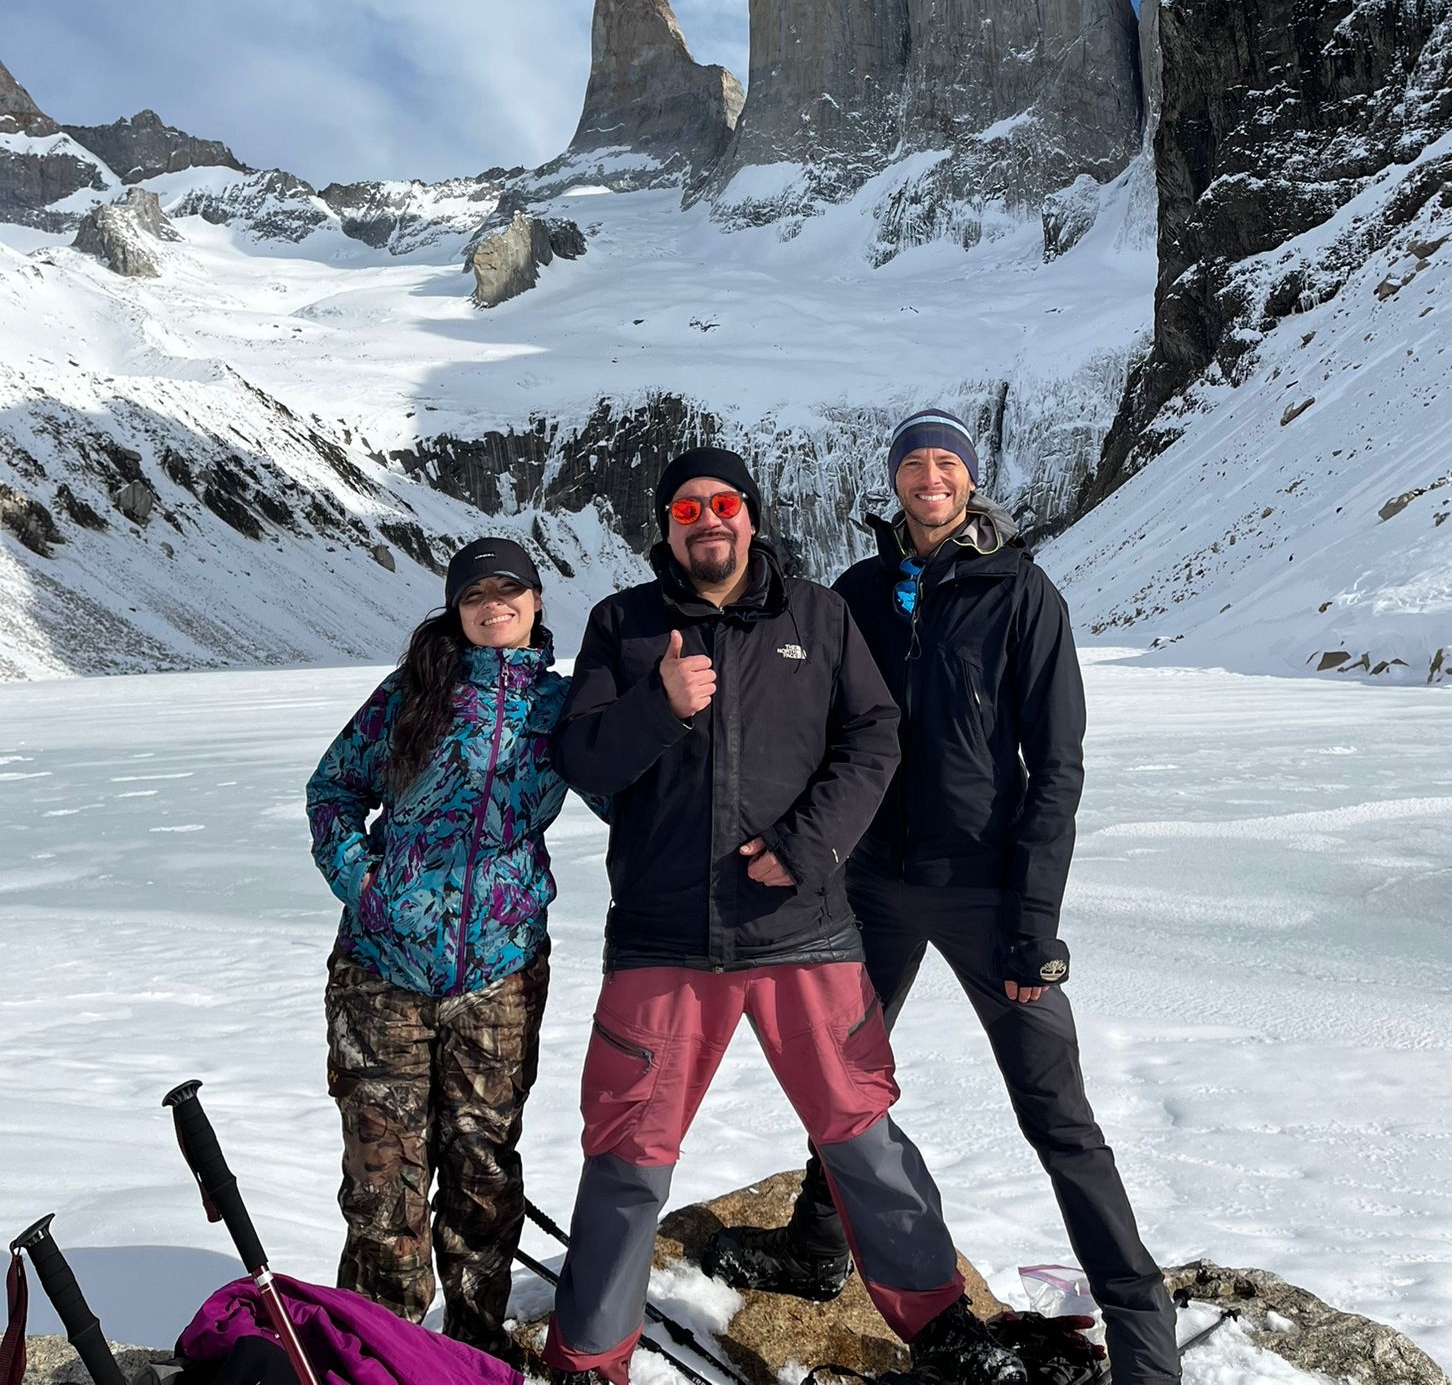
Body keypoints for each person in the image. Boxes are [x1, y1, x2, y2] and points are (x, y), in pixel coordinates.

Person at [706, 412, 1182, 1385]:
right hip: (872, 882)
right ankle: (816, 1246)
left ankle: (1142, 1331)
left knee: (1056, 1114)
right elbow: (813, 724)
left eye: (947, 462)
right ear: (896, 481)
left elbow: (1055, 765)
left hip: (986, 888)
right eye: (915, 462)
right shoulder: (861, 593)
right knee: (838, 1071)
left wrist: (1032, 921)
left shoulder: (1022, 593)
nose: (931, 475)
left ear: (969, 481)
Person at [540, 447, 1031, 1385]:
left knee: (861, 1132)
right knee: (627, 1155)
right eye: (686, 508)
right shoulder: (623, 624)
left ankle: (939, 1323)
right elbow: (585, 761)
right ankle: (589, 1357)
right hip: (661, 935)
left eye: (723, 502)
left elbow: (875, 734)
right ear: (666, 527)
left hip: (802, 927)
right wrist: (660, 704)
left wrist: (809, 846)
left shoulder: (817, 614)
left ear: (751, 515)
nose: (707, 519)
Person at [306, 536, 575, 1362]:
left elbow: (633, 782)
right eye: (475, 595)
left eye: (510, 591)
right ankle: (378, 1357)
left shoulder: (561, 708)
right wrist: (365, 883)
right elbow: (333, 791)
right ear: (456, 612)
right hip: (383, 970)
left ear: (535, 604)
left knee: (483, 1173)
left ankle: (476, 1356)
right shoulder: (413, 693)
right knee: (384, 1184)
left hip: (499, 975)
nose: (493, 605)